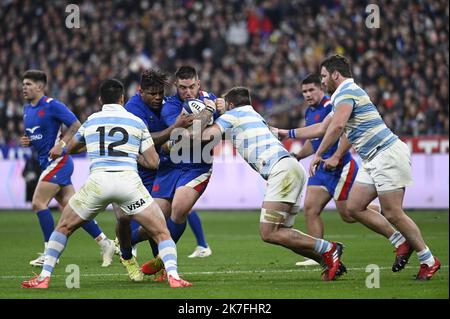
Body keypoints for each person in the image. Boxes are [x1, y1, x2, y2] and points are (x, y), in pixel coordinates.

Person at [278, 55, 440, 280]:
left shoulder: (347, 92)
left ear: (335, 74)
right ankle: (400, 241)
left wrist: (321, 155)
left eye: (324, 76)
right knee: (353, 207)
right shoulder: (341, 96)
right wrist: (288, 133)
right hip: (372, 159)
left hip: (387, 154)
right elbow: (323, 127)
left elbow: (337, 126)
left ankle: (428, 259)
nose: (322, 81)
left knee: (393, 212)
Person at [21, 78, 192, 289]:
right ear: (122, 98)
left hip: (98, 183)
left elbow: (71, 147)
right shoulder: (136, 121)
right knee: (161, 232)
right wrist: (134, 154)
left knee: (63, 227)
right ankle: (173, 277)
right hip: (128, 182)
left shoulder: (92, 120)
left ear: (101, 99)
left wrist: (91, 147)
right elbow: (154, 162)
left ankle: (44, 277)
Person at [201, 86, 344, 281]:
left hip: (281, 171)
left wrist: (208, 111)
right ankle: (327, 260)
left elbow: (205, 136)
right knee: (283, 233)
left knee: (268, 233)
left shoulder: (232, 115)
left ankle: (329, 248)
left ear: (231, 105)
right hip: (291, 167)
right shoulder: (254, 115)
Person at [20, 70, 116, 268]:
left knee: (38, 203)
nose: (24, 87)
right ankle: (105, 242)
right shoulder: (27, 110)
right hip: (47, 163)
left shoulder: (52, 105)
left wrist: (62, 144)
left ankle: (49, 252)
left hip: (59, 162)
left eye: (28, 84)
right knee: (73, 208)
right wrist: (28, 141)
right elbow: (40, 136)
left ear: (40, 86)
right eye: (23, 84)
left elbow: (76, 124)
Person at [137, 66, 218, 281]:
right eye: (183, 88)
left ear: (198, 84)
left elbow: (221, 128)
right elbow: (185, 133)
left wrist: (215, 113)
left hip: (197, 167)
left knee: (180, 209)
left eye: (192, 87)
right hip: (170, 167)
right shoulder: (170, 106)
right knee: (154, 218)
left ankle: (163, 261)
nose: (188, 92)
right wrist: (208, 112)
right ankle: (127, 242)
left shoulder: (213, 99)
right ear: (176, 87)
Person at [292, 74, 381, 267]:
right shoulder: (310, 112)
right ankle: (319, 253)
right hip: (322, 169)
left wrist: (337, 156)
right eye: (304, 92)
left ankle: (378, 210)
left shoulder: (332, 106)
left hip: (340, 167)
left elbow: (346, 130)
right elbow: (313, 141)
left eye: (311, 90)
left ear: (321, 88)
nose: (307, 94)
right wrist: (298, 156)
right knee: (310, 208)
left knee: (348, 215)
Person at [114, 69, 194, 261]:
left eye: (160, 93)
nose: (158, 97)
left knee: (177, 213)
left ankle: (141, 249)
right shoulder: (134, 109)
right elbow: (146, 139)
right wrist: (175, 128)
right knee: (154, 218)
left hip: (163, 166)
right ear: (140, 91)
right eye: (153, 94)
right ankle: (131, 247)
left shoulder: (166, 103)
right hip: (141, 171)